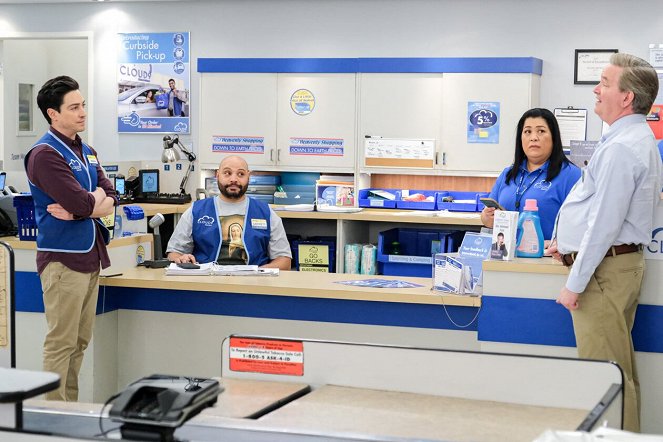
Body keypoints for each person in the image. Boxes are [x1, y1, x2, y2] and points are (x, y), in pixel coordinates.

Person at [547, 53, 661, 432]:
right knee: (617, 373)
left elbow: (604, 226)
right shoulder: (629, 139)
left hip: (603, 273)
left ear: (627, 97)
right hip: (612, 267)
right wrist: (564, 243)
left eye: (605, 83)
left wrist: (574, 283)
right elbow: (597, 211)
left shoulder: (621, 147)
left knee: (603, 379)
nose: (596, 89)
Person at [24, 76, 117, 401]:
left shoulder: (86, 150)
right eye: (74, 107)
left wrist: (86, 207)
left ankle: (70, 411)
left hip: (90, 255)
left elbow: (111, 193)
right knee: (61, 342)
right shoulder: (45, 154)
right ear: (53, 113)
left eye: (83, 106)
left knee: (79, 341)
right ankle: (54, 417)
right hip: (62, 260)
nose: (82, 113)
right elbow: (84, 201)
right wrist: (90, 205)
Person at [167, 155, 292, 269]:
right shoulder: (196, 211)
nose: (234, 179)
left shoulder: (266, 212)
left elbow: (284, 260)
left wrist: (257, 272)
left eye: (240, 174)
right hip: (206, 283)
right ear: (217, 175)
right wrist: (181, 258)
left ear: (249, 176)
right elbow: (174, 252)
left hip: (253, 284)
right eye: (227, 173)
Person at [481, 108, 581, 240]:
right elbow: (488, 215)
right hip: (505, 255)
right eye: (527, 131)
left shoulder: (571, 175)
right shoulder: (508, 174)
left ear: (553, 137)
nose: (534, 138)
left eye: (541, 131)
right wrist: (487, 218)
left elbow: (580, 224)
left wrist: (557, 244)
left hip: (547, 257)